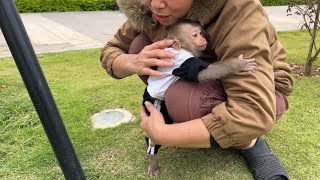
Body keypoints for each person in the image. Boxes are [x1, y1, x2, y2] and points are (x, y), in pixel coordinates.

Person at [100, 0, 294, 179]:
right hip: (197, 72)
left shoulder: (238, 9)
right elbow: (112, 50)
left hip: (266, 90)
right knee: (139, 45)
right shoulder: (146, 8)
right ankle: (193, 115)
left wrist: (163, 134)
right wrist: (132, 61)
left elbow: (253, 111)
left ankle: (249, 142)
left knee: (182, 99)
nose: (156, 4)